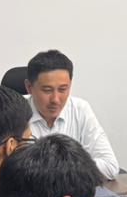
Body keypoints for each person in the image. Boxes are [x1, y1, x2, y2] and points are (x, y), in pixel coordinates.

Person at [24, 49, 120, 179]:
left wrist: (51, 168)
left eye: (63, 89)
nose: (55, 99)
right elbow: (7, 173)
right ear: (29, 87)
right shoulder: (15, 113)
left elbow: (110, 167)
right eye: (47, 90)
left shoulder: (80, 109)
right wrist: (76, 166)